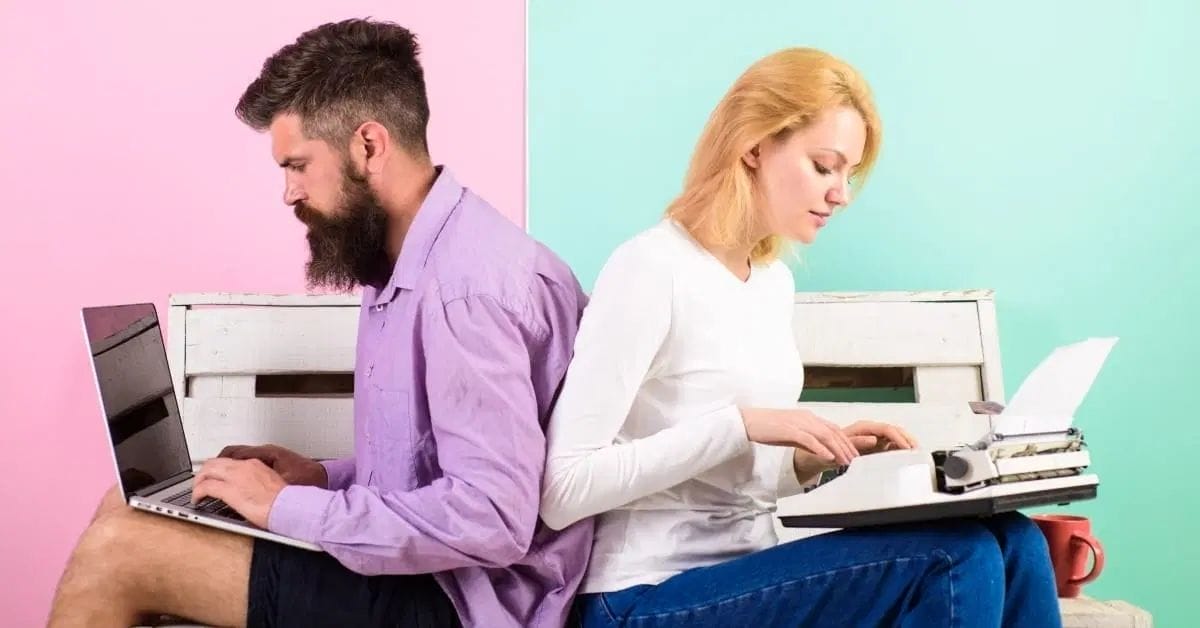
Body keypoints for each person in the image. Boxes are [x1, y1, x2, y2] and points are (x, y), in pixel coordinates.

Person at [49, 19, 593, 628]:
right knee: (122, 508)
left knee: (119, 554)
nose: (288, 192)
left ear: (368, 146)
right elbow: (445, 465)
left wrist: (287, 508)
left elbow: (490, 517)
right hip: (427, 576)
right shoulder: (403, 261)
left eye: (298, 165)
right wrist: (319, 479)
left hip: (465, 602)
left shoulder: (466, 292)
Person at [539, 47, 1062, 627]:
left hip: (748, 570)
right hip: (640, 596)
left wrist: (805, 462)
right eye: (824, 166)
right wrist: (738, 425)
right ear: (754, 146)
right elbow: (563, 490)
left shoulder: (771, 283)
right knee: (955, 557)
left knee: (1015, 539)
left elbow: (737, 484)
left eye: (848, 174)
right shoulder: (650, 268)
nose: (842, 193)